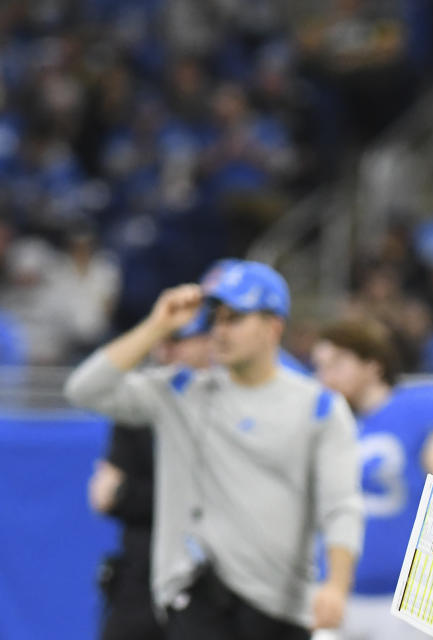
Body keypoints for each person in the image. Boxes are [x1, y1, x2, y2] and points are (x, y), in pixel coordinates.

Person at [65, 260, 363, 640]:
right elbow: (84, 390)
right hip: (197, 598)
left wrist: (336, 586)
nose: (220, 331)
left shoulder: (319, 407)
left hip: (282, 604)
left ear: (274, 327)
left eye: (235, 318)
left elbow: (341, 506)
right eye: (216, 319)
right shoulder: (184, 392)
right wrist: (158, 324)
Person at [311, 317, 433, 640]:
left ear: (373, 364)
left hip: (408, 597)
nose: (325, 377)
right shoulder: (325, 424)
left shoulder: (424, 405)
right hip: (337, 592)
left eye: (337, 364)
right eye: (320, 366)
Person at [89, 309, 212, 640]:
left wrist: (132, 494)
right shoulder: (142, 404)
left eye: (177, 343)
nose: (165, 353)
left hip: (209, 577)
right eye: (160, 343)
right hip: (141, 574)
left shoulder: (228, 405)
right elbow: (104, 496)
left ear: (207, 344)